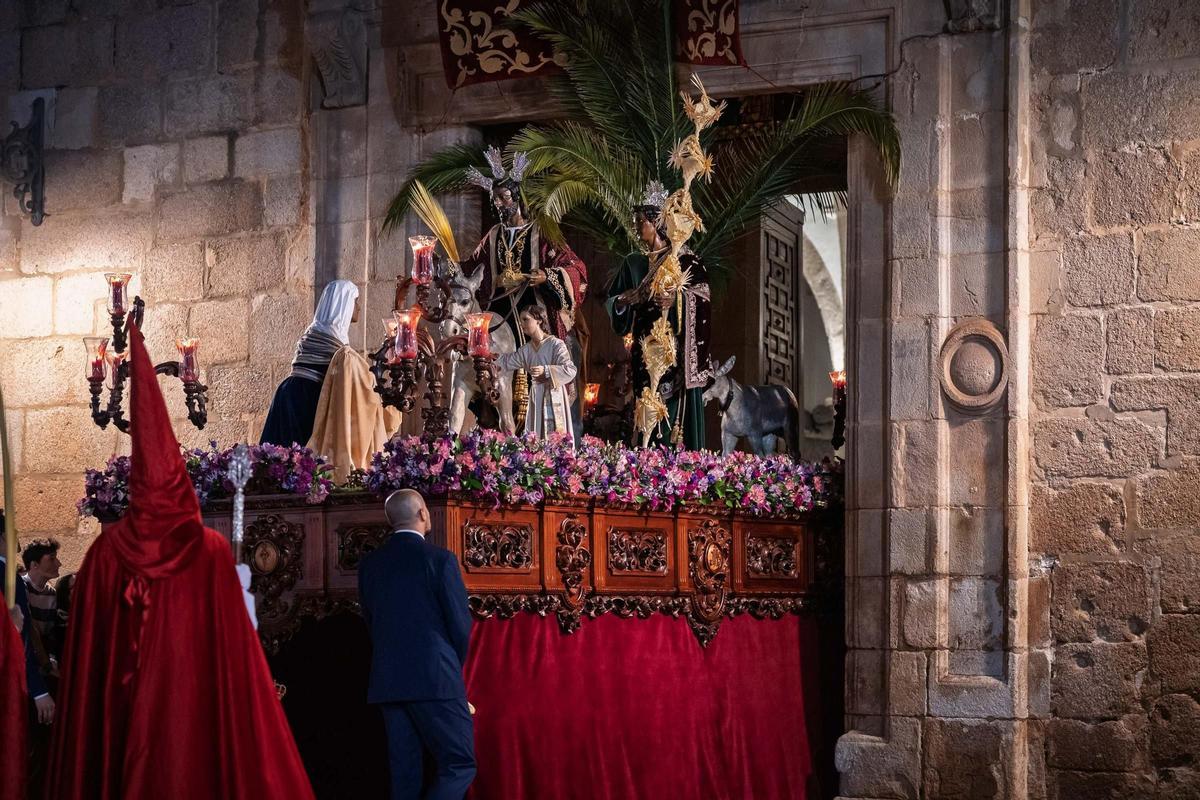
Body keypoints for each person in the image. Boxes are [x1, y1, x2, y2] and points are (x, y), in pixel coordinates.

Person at [46, 318, 315, 799]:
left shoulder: (106, 555)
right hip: (197, 726)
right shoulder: (208, 552)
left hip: (123, 722)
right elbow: (240, 670)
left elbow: (90, 667)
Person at [459, 145, 589, 434]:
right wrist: (445, 268)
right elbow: (470, 269)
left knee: (541, 345)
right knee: (478, 350)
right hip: (499, 305)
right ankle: (488, 403)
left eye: (504, 198)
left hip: (532, 305)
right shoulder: (493, 235)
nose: (500, 205)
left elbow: (575, 267)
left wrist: (547, 275)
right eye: (495, 200)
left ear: (517, 198)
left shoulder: (541, 232)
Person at [359, 489, 475, 800]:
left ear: (390, 521)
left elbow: (370, 621)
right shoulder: (441, 560)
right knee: (459, 763)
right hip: (436, 678)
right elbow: (461, 626)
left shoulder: (370, 565)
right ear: (423, 514)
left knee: (405, 775)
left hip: (388, 680)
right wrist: (452, 667)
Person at [605, 181, 713, 449]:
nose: (636, 225)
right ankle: (643, 455)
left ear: (657, 222)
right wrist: (623, 300)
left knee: (669, 406)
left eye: (640, 220)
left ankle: (673, 467)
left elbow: (703, 297)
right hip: (643, 346)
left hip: (673, 351)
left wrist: (677, 300)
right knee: (644, 403)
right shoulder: (634, 263)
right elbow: (611, 300)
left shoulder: (685, 261)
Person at [261, 279, 361, 448]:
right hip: (309, 399)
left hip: (289, 393)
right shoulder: (336, 341)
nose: (358, 307)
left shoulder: (317, 331)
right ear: (344, 304)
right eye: (356, 301)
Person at [495, 306, 578, 442]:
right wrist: (486, 355)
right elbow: (505, 362)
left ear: (538, 320)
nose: (521, 324)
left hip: (553, 393)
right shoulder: (526, 350)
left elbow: (570, 370)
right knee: (536, 434)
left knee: (555, 437)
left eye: (525, 320)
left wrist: (546, 370)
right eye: (521, 320)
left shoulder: (556, 344)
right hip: (536, 395)